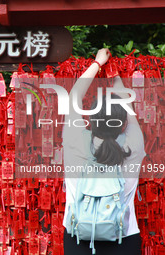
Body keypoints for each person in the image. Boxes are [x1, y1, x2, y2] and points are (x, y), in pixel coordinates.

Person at [62, 48, 146, 255]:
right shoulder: (134, 144)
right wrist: (115, 74)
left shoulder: (74, 140)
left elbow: (73, 97)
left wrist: (98, 63)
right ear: (124, 124)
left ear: (89, 119)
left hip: (78, 238)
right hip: (123, 239)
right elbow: (127, 106)